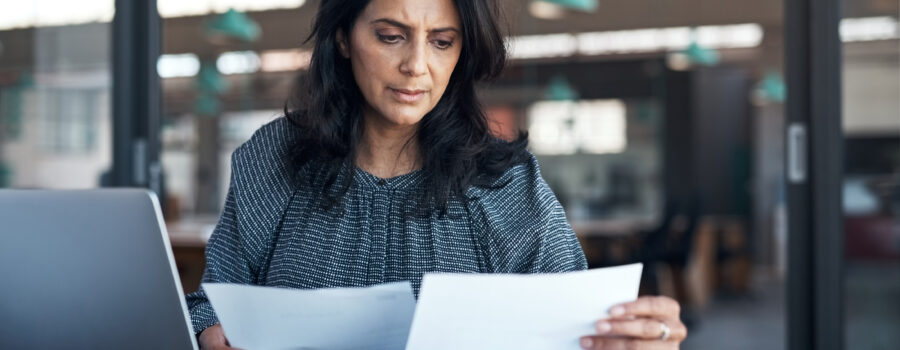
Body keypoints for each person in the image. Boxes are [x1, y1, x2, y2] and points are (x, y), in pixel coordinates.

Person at [186, 0, 688, 349]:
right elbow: (210, 304)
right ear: (342, 37)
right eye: (390, 36)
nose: (417, 65)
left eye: (442, 41)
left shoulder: (506, 183)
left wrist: (637, 337)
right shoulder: (274, 157)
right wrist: (208, 332)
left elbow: (576, 326)